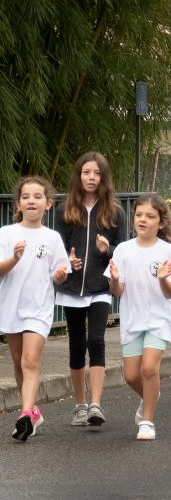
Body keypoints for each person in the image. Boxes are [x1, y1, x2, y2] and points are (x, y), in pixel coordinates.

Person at [55, 152, 125, 428]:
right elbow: (56, 247)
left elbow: (124, 248)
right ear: (78, 175)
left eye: (96, 173)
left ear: (103, 177)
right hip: (72, 288)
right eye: (86, 172)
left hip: (100, 287)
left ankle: (96, 404)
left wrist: (108, 250)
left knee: (96, 341)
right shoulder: (65, 210)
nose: (91, 178)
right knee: (75, 346)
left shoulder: (114, 211)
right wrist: (66, 262)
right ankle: (80, 405)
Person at [107, 194, 171, 441]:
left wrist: (162, 278)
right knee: (131, 375)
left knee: (149, 368)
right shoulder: (123, 250)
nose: (143, 220)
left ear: (160, 223)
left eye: (150, 216)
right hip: (132, 318)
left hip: (159, 318)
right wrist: (116, 279)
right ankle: (152, 394)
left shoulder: (167, 250)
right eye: (139, 215)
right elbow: (116, 291)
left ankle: (147, 420)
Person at [1, 176, 70, 441]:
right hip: (11, 306)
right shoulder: (6, 234)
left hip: (39, 308)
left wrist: (62, 274)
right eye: (26, 197)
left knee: (30, 361)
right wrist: (14, 258)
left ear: (48, 204)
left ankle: (26, 413)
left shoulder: (51, 238)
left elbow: (58, 272)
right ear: (18, 203)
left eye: (38, 196)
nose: (32, 201)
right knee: (19, 363)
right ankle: (33, 412)